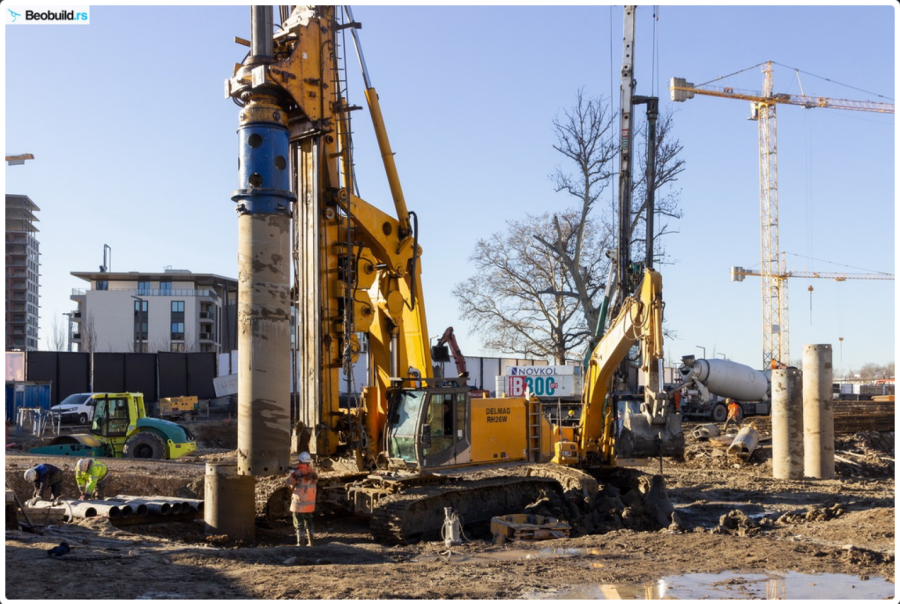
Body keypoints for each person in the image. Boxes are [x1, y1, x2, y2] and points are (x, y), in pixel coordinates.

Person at [287, 452, 318, 546]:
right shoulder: (313, 473)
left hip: (299, 503)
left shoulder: (297, 473)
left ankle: (300, 543)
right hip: (310, 503)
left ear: (300, 460)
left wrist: (289, 475)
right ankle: (311, 543)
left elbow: (289, 483)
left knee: (299, 523)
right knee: (309, 521)